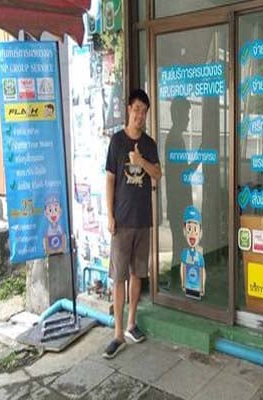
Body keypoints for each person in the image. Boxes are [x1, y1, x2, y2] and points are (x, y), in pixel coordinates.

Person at [102, 89, 162, 359]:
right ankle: (117, 334)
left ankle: (131, 324)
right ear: (129, 109)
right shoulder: (117, 141)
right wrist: (110, 215)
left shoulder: (149, 144)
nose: (140, 115)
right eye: (136, 109)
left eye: (144, 111)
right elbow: (110, 180)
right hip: (122, 221)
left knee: (137, 274)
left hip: (142, 220)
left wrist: (140, 161)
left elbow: (158, 174)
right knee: (119, 278)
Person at [165, 97, 193, 288]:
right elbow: (183, 173)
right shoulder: (174, 140)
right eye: (186, 114)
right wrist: (201, 156)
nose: (189, 119)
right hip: (178, 203)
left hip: (178, 202)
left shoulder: (175, 138)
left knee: (180, 245)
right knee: (180, 246)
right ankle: (177, 284)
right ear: (178, 115)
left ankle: (178, 283)